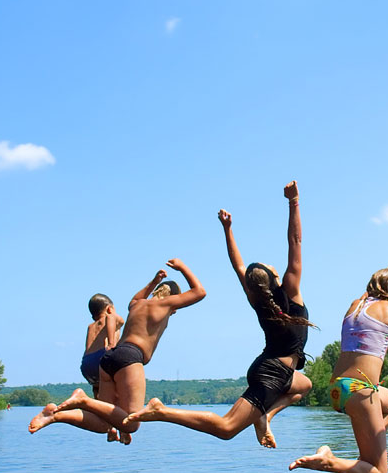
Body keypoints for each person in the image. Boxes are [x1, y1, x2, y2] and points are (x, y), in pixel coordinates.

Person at [126, 181, 312, 447]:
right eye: (271, 267)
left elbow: (237, 264)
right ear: (274, 278)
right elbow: (295, 242)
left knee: (304, 386)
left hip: (271, 368)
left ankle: (264, 417)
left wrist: (228, 230)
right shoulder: (292, 291)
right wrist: (294, 201)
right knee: (226, 429)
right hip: (272, 374)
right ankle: (161, 411)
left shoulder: (256, 300)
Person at [289, 263, 388, 473]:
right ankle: (329, 461)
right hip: (360, 390)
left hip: (337, 389)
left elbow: (368, 295)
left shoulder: (355, 305)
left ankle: (368, 451)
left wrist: (386, 274)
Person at [28, 259, 206, 443]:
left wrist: (154, 280)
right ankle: (83, 399)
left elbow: (135, 299)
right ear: (174, 298)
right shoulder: (164, 305)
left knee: (104, 423)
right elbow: (200, 292)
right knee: (132, 422)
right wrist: (182, 267)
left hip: (108, 360)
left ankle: (54, 415)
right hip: (130, 357)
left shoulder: (137, 305)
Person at [82, 293, 124, 399]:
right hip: (101, 357)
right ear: (110, 308)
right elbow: (111, 318)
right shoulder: (110, 316)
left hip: (86, 363)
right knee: (117, 387)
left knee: (97, 387)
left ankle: (97, 408)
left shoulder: (91, 326)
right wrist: (111, 343)